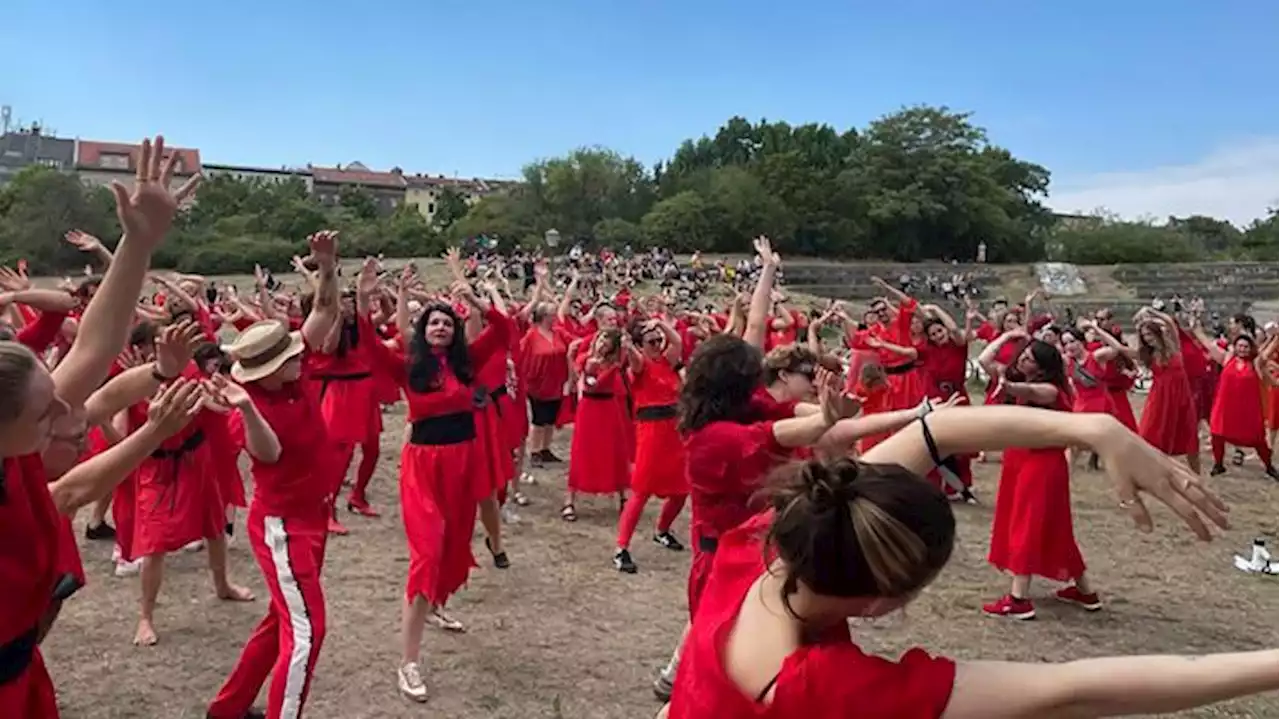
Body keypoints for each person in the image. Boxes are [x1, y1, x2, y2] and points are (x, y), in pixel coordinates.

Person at [661, 403, 1239, 718]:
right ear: (884, 602)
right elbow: (1070, 691)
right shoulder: (819, 692)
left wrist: (1097, 428)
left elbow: (937, 433)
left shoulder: (759, 546)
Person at [0, 135, 206, 718]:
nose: (69, 415)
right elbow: (70, 490)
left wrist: (137, 242)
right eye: (47, 412)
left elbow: (94, 348)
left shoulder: (15, 435)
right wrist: (150, 435)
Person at [205, 230, 342, 719]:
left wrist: (327, 267)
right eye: (290, 358)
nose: (302, 356)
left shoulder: (291, 373)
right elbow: (269, 452)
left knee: (280, 621)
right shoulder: (248, 407)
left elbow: (324, 314)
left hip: (312, 517)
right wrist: (247, 408)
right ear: (265, 372)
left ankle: (226, 709)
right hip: (284, 526)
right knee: (306, 633)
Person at [379, 272, 512, 703]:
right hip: (424, 466)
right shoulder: (409, 365)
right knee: (427, 553)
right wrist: (377, 297)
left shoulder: (465, 362)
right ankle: (409, 662)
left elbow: (505, 329)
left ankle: (436, 606)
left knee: (453, 544)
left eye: (447, 323)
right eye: (433, 322)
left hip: (463, 461)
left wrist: (474, 299)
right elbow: (367, 346)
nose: (440, 327)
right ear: (423, 330)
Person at [613, 319, 686, 573]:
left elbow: (677, 341)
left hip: (675, 430)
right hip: (652, 433)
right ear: (640, 345)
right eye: (651, 341)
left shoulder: (666, 361)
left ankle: (662, 530)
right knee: (641, 491)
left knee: (682, 489)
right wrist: (629, 345)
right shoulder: (640, 366)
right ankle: (621, 548)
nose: (657, 345)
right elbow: (634, 359)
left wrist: (660, 324)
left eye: (658, 341)